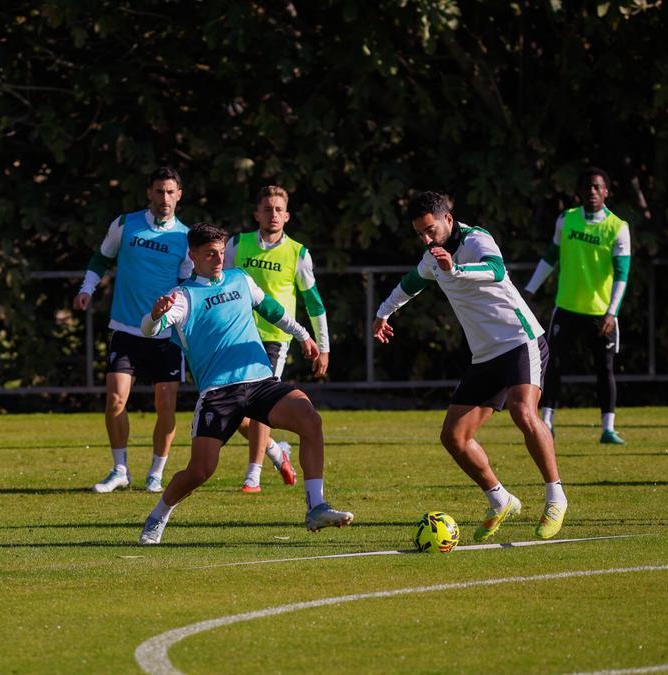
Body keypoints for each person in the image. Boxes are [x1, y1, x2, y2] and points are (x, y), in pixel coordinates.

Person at [136, 223, 353, 545]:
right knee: (200, 471)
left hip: (261, 381)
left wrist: (303, 335)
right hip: (218, 393)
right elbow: (148, 331)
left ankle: (316, 506)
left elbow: (272, 310)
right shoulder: (182, 297)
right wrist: (155, 315)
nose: (218, 259)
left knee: (310, 420)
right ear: (193, 256)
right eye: (210, 254)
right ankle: (157, 516)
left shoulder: (240, 278)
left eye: (221, 252)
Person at [373, 192, 567, 541]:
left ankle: (556, 498)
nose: (427, 239)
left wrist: (456, 268)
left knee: (523, 412)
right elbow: (411, 283)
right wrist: (384, 312)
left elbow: (495, 270)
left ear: (448, 219)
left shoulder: (477, 239)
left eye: (431, 230)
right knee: (454, 436)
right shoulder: (431, 257)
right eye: (420, 234)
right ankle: (501, 499)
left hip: (519, 340)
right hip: (485, 355)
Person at [74, 167, 192, 494]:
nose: (164, 198)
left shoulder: (185, 237)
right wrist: (87, 288)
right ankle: (120, 470)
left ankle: (156, 473)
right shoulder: (126, 224)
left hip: (166, 335)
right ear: (149, 194)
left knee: (165, 406)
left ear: (179, 195)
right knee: (115, 400)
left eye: (170, 192)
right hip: (125, 328)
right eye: (159, 192)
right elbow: (102, 258)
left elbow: (187, 285)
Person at [224, 185, 330, 493]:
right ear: (256, 214)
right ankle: (275, 451)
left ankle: (252, 475)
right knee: (231, 407)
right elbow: (219, 285)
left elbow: (314, 302)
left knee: (260, 403)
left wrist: (323, 347)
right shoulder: (237, 244)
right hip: (235, 333)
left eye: (279, 209)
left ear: (287, 216)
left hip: (274, 338)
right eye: (267, 209)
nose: (273, 214)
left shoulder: (298, 253)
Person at [524, 168, 631, 444]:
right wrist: (529, 290)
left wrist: (612, 311)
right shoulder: (566, 219)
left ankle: (608, 429)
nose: (592, 192)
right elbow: (550, 257)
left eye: (597, 187)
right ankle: (546, 422)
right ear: (580, 191)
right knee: (554, 365)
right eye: (587, 187)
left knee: (604, 370)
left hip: (600, 314)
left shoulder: (618, 227)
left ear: (606, 191)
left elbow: (622, 274)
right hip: (567, 308)